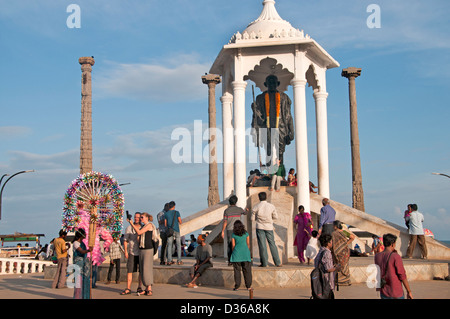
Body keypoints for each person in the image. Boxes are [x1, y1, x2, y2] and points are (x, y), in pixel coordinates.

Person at [251, 74, 294, 164]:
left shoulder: (284, 98)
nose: (271, 85)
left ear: (277, 84)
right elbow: (257, 117)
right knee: (269, 151)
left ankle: (279, 174)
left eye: (273, 83)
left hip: (281, 128)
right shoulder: (260, 98)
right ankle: (269, 173)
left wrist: (291, 131)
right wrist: (255, 110)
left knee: (280, 152)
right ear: (265, 84)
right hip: (266, 127)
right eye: (269, 83)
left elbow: (288, 116)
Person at [374, 233, 413, 299]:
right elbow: (402, 275)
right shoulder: (395, 256)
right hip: (396, 292)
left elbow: (378, 273)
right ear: (392, 244)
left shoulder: (377, 256)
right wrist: (409, 291)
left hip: (384, 292)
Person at [128, 212, 156, 296]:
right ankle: (147, 288)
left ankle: (149, 288)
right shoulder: (143, 226)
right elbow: (139, 236)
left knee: (147, 269)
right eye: (140, 218)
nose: (141, 219)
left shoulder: (149, 225)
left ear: (147, 217)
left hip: (148, 249)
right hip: (142, 249)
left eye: (142, 217)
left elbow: (139, 232)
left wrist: (132, 224)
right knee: (143, 269)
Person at [250, 192, 282, 267]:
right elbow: (276, 217)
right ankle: (277, 262)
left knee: (262, 245)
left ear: (259, 198)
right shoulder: (271, 206)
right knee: (272, 244)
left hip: (260, 226)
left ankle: (264, 263)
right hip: (269, 227)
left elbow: (252, 219)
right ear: (266, 197)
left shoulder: (256, 206)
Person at [121, 212, 143, 295]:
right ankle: (128, 288)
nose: (136, 219)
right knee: (129, 270)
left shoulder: (142, 227)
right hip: (131, 252)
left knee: (140, 271)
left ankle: (139, 287)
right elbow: (125, 240)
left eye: (138, 217)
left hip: (140, 252)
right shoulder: (129, 228)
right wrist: (125, 251)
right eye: (135, 217)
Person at [221, 195, 246, 265]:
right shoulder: (239, 209)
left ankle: (230, 261)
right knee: (238, 244)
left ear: (229, 202)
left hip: (229, 230)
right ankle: (238, 259)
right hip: (238, 229)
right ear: (236, 202)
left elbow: (225, 221)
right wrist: (246, 210)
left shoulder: (226, 211)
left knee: (230, 245)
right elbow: (245, 213)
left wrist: (222, 231)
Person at [315, 234, 340, 299]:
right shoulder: (327, 253)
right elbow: (328, 269)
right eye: (331, 241)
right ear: (328, 243)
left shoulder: (320, 251)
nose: (332, 243)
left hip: (320, 282)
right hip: (327, 283)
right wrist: (336, 268)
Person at [230, 220, 252, 291]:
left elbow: (233, 245)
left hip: (237, 254)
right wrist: (246, 251)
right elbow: (248, 244)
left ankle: (237, 286)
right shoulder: (246, 234)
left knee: (237, 271)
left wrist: (235, 252)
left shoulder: (233, 234)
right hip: (245, 254)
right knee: (247, 271)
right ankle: (248, 286)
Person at [331, 220, 355, 286]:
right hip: (345, 251)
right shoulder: (344, 232)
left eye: (333, 226)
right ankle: (346, 281)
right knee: (345, 266)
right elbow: (352, 237)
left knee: (338, 265)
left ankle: (339, 281)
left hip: (338, 252)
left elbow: (332, 243)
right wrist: (345, 244)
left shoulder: (334, 233)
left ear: (335, 226)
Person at [72, 228, 92, 299]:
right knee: (78, 283)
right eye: (84, 234)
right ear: (81, 235)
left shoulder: (83, 243)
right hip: (78, 265)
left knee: (84, 282)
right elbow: (82, 251)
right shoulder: (75, 243)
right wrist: (88, 250)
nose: (85, 235)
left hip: (84, 265)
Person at [164, 201, 183, 265]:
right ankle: (179, 260)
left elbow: (165, 224)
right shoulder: (176, 212)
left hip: (170, 231)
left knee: (169, 246)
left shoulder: (166, 214)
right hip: (176, 230)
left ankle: (169, 260)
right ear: (174, 206)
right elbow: (180, 221)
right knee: (178, 245)